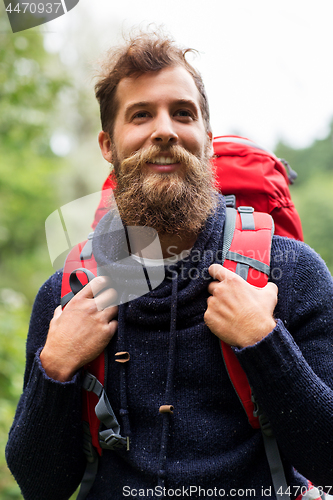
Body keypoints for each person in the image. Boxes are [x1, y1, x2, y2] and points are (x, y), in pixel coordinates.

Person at [6, 30, 333, 500]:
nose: (165, 129)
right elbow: (41, 484)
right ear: (107, 144)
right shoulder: (68, 296)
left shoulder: (290, 273)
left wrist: (264, 342)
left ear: (208, 141)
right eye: (141, 115)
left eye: (183, 113)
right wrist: (55, 366)